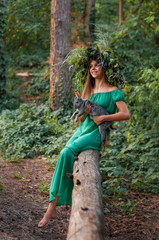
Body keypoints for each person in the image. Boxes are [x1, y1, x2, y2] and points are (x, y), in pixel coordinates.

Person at [38, 52, 130, 228]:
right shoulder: (90, 89)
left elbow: (125, 114)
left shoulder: (114, 91)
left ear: (104, 67)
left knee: (66, 152)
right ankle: (60, 203)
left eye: (97, 65)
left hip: (96, 133)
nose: (93, 68)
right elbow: (87, 112)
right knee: (65, 156)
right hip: (83, 129)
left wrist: (104, 118)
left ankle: (51, 207)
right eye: (91, 66)